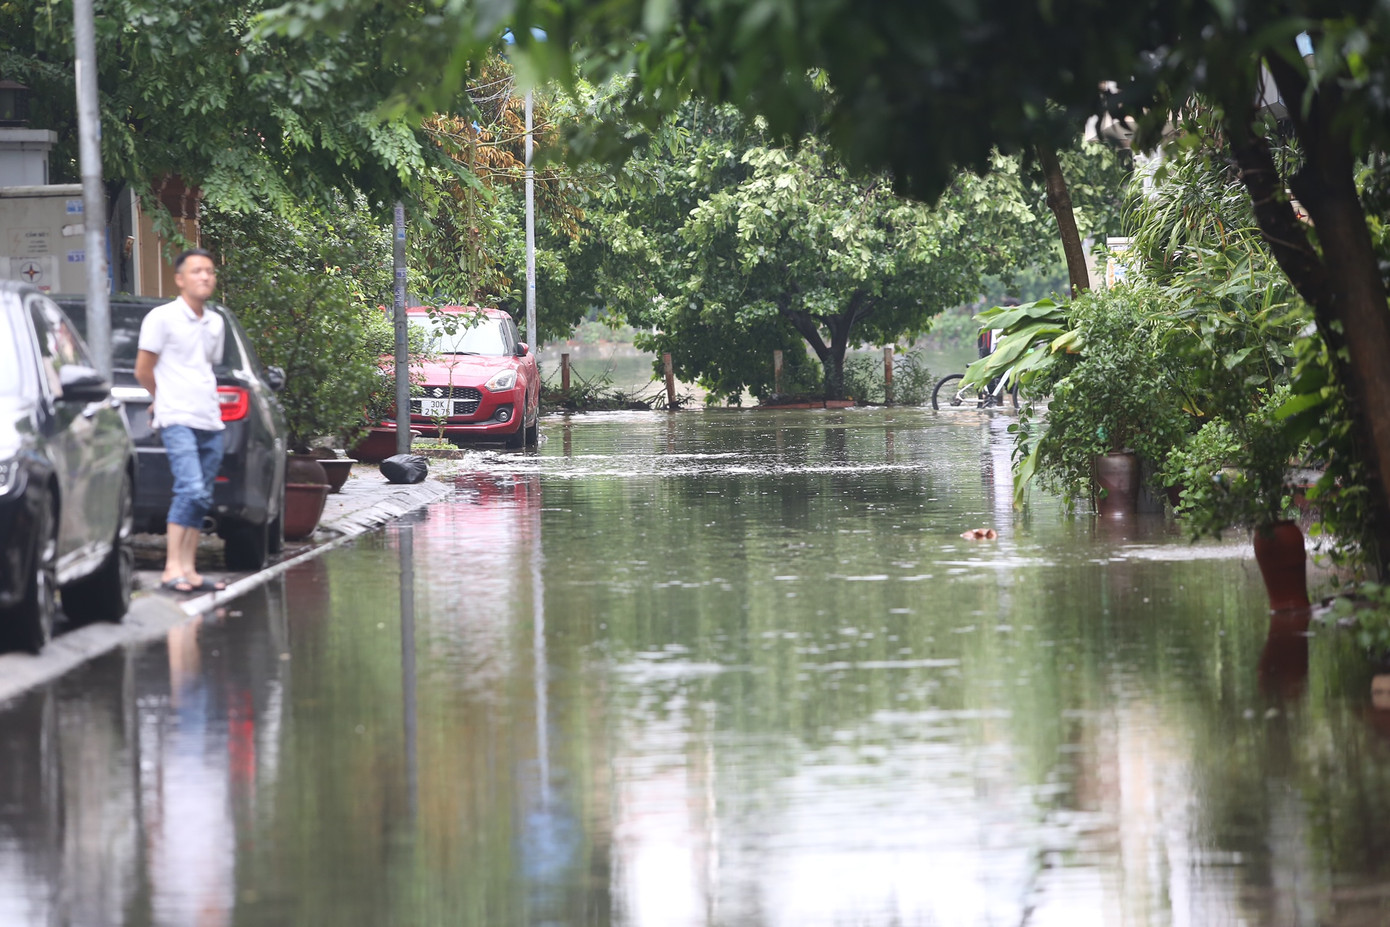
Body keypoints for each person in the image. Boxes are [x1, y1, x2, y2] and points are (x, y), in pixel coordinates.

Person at [134, 248, 228, 594]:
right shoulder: (161, 318)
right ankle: (171, 568)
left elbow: (207, 366)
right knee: (188, 488)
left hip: (210, 419)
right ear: (180, 279)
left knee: (202, 496)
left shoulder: (216, 322)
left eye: (209, 271)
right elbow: (143, 370)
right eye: (197, 271)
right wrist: (161, 399)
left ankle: (188, 569)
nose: (204, 276)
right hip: (176, 417)